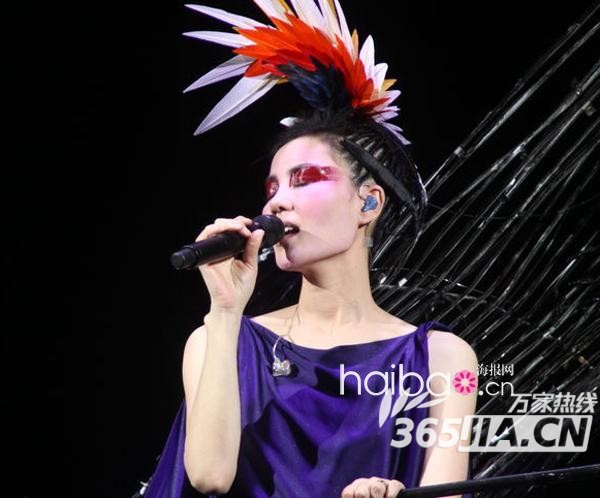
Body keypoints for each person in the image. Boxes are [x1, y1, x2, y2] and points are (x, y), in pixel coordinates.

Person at [145, 3, 477, 497]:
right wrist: (225, 310)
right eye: (273, 185)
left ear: (368, 201)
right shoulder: (222, 341)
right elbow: (209, 476)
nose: (277, 199)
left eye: (305, 179)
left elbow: (447, 490)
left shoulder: (447, 361)